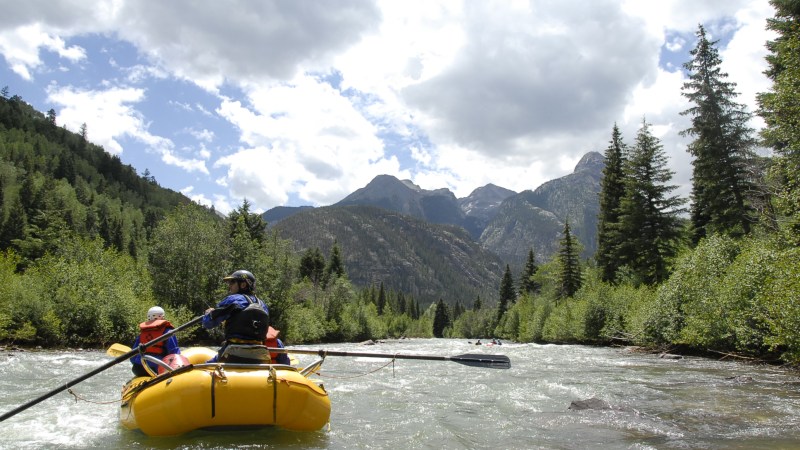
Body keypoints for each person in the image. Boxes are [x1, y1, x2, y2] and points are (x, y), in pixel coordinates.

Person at [202, 270, 289, 364]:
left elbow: (208, 323)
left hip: (233, 352)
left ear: (243, 285)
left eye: (232, 282)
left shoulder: (233, 300)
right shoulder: (262, 305)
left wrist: (208, 314)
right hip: (259, 354)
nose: (229, 285)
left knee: (204, 369)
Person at [130, 306, 180, 377]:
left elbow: (133, 356)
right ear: (162, 317)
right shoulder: (168, 331)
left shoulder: (143, 332)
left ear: (148, 317)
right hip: (157, 368)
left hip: (138, 368)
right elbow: (174, 353)